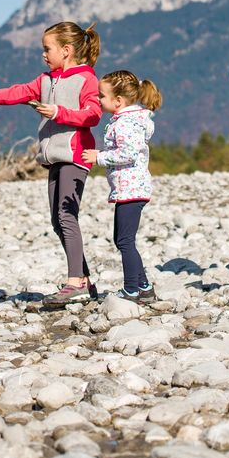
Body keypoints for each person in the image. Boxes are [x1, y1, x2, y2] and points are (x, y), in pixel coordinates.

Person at [0, 22, 102, 305]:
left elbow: (93, 115)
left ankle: (75, 282)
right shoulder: (44, 81)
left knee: (66, 216)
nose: (43, 54)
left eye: (47, 49)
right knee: (58, 221)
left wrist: (59, 112)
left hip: (75, 156)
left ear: (66, 50)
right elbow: (10, 94)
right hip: (53, 158)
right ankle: (83, 280)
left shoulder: (86, 79)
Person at [84, 70, 162, 303]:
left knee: (125, 241)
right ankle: (144, 287)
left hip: (131, 190)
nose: (98, 99)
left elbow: (128, 153)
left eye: (102, 96)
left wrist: (99, 157)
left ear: (118, 100)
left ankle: (131, 290)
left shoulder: (126, 123)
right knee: (123, 239)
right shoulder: (128, 119)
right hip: (129, 189)